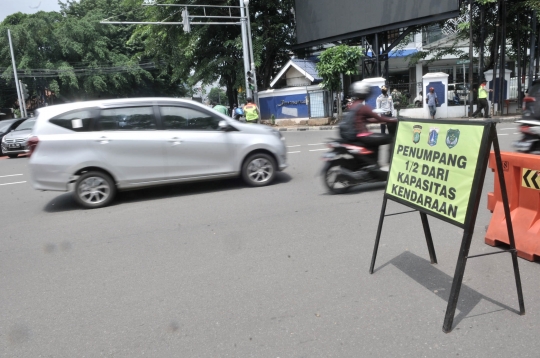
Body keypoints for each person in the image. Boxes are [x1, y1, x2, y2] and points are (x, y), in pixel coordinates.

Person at [345, 81, 397, 160]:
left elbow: (365, 120)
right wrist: (394, 120)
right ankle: (390, 161)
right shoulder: (363, 107)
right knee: (390, 138)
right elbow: (379, 118)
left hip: (357, 135)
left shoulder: (354, 105)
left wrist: (384, 118)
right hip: (363, 135)